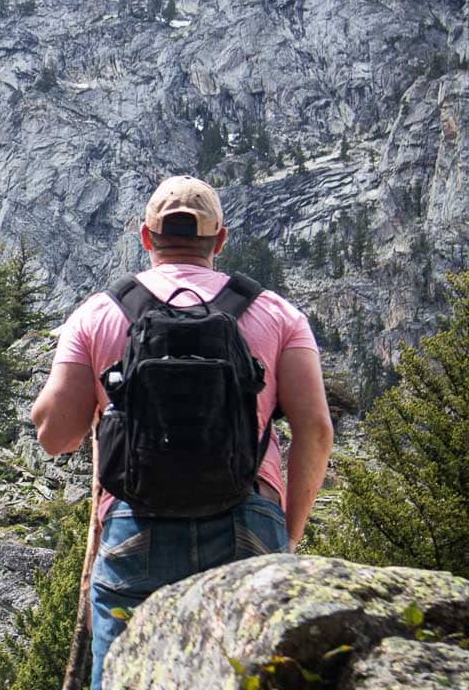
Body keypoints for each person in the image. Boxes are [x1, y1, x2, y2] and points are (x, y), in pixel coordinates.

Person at [30, 176, 334, 690]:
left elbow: (55, 436)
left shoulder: (99, 313)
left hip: (136, 523)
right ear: (219, 240)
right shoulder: (277, 313)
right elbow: (316, 432)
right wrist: (288, 531)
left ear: (145, 238)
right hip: (249, 518)